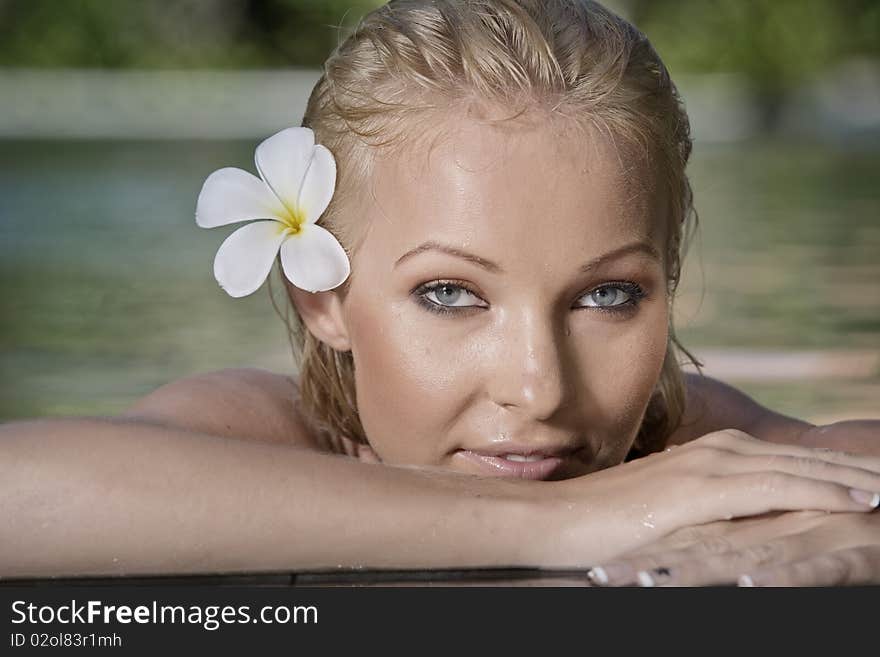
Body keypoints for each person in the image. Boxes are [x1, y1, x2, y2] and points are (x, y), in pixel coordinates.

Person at [2, 0, 878, 586]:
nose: (538, 389)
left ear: (670, 279)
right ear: (326, 300)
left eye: (608, 296)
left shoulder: (675, 439)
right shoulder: (269, 438)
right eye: (452, 294)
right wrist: (566, 521)